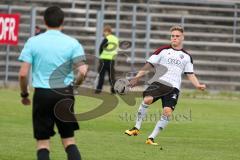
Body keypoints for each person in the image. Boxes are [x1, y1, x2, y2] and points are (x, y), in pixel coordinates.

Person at [18, 6, 88, 160]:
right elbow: (83, 71)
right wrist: (75, 85)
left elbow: (23, 74)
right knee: (69, 141)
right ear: (63, 22)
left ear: (44, 21)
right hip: (65, 93)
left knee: (43, 143)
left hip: (42, 94)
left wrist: (24, 94)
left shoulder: (33, 41)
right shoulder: (72, 43)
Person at [124, 25, 206, 145]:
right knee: (147, 99)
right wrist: (137, 77)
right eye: (172, 36)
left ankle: (151, 138)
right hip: (159, 83)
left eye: (177, 36)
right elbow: (149, 65)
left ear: (182, 37)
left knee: (167, 112)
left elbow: (190, 74)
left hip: (173, 88)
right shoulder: (162, 50)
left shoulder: (187, 57)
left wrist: (197, 85)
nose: (174, 38)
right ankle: (136, 128)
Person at [95, 25, 119, 94]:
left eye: (104, 32)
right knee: (111, 76)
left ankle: (98, 90)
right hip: (112, 60)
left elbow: (101, 48)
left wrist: (100, 55)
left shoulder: (107, 38)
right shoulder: (116, 39)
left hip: (104, 59)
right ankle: (113, 90)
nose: (104, 33)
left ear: (107, 31)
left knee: (101, 76)